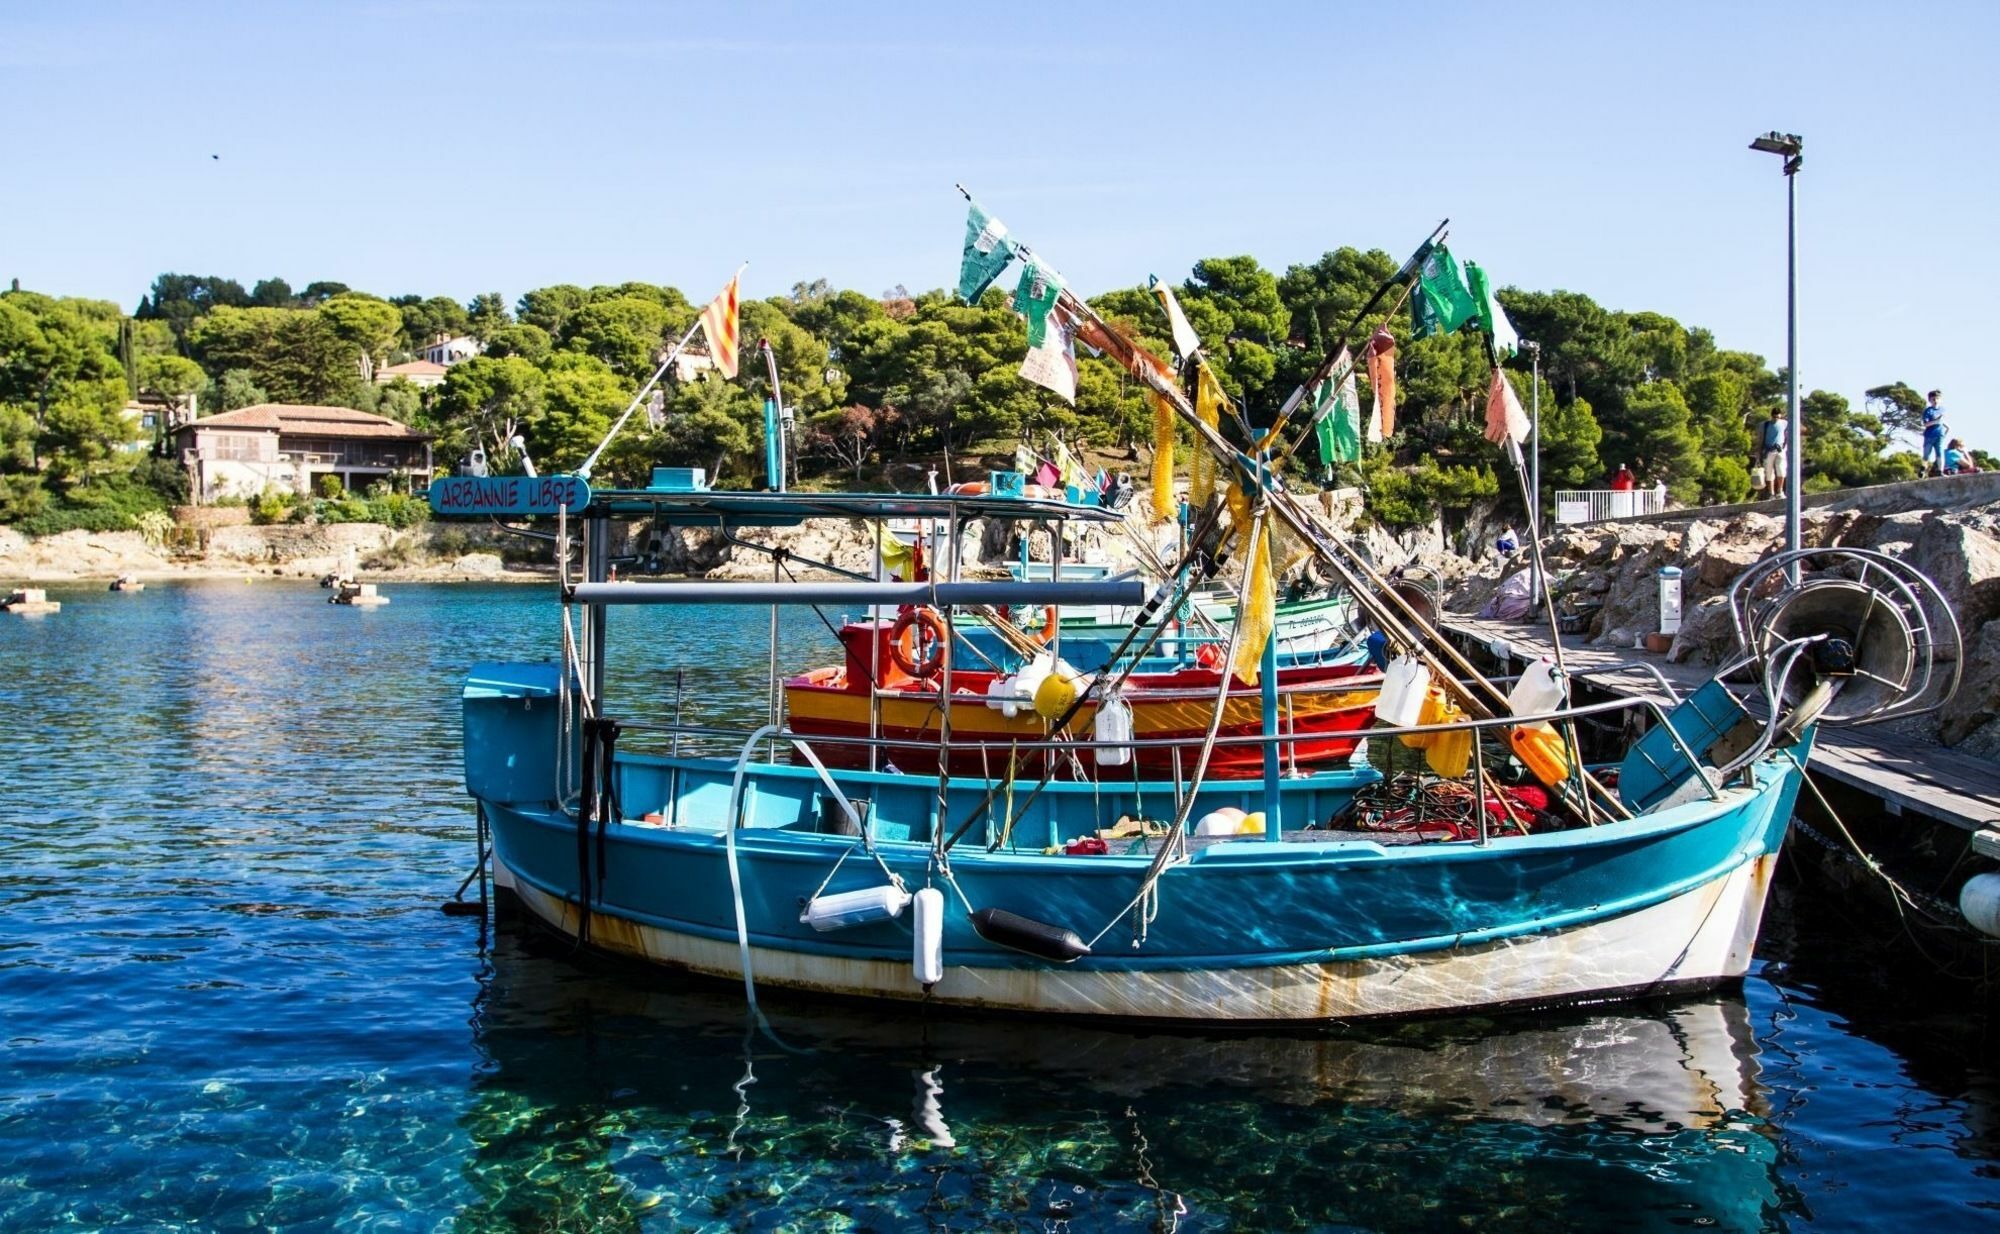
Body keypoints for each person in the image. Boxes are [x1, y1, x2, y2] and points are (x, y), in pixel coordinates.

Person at [1760, 409, 1789, 499]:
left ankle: (1780, 491)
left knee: (1781, 471)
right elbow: (1761, 438)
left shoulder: (1784, 423)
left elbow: (1788, 434)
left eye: (1778, 417)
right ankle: (1771, 493)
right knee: (1769, 473)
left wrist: (1785, 446)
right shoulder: (1765, 425)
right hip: (1768, 450)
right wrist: (1758, 452)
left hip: (1780, 450)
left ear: (1780, 416)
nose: (1776, 418)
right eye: (1774, 417)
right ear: (1771, 416)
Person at [1921, 391, 1949, 477]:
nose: (1935, 400)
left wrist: (1947, 429)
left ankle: (1940, 471)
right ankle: (1922, 471)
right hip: (1929, 435)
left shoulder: (1942, 409)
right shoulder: (1928, 411)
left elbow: (1942, 421)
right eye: (1933, 399)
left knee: (1940, 453)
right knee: (1926, 455)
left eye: (1937, 398)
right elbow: (1925, 424)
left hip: (1939, 434)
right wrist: (1935, 421)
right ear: (1930, 400)